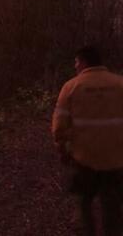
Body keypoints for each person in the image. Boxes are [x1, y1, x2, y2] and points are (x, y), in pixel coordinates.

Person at [52, 46, 123, 236]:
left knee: (83, 204)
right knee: (113, 208)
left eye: (76, 62)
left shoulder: (71, 87)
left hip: (83, 159)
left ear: (83, 62)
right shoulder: (120, 84)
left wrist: (62, 149)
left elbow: (59, 126)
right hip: (116, 159)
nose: (75, 66)